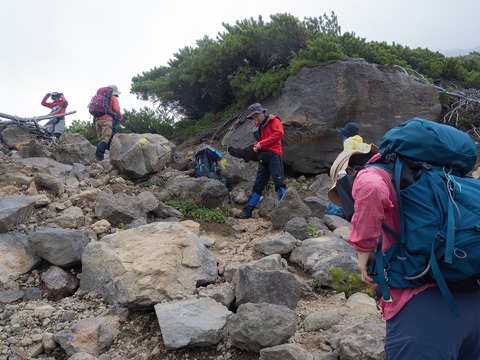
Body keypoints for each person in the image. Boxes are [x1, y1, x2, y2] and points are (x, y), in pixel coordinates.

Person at [348, 152, 480, 359]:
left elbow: (371, 187)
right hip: (471, 291)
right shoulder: (445, 174)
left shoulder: (375, 173)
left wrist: (364, 246)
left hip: (425, 309)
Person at [237, 103, 286, 219]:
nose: (256, 119)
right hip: (263, 157)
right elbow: (259, 140)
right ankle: (247, 211)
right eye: (253, 117)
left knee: (278, 181)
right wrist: (256, 146)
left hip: (274, 154)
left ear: (262, 112)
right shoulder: (257, 125)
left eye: (257, 115)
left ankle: (285, 209)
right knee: (258, 184)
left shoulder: (274, 120)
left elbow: (279, 133)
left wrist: (261, 144)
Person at [94, 85, 123, 161]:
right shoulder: (113, 98)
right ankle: (99, 156)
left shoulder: (100, 97)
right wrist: (120, 116)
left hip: (97, 120)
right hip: (107, 120)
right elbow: (116, 109)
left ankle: (97, 157)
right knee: (105, 139)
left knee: (101, 139)